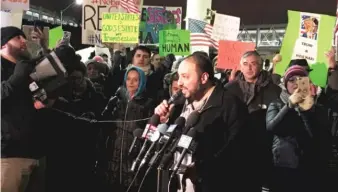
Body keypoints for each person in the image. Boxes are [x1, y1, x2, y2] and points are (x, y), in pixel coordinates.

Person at [154, 53, 252, 192]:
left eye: (186, 77)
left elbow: (236, 153)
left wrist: (201, 170)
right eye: (179, 76)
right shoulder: (180, 102)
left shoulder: (230, 105)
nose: (180, 82)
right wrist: (166, 120)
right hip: (180, 184)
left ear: (204, 77)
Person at [266, 65, 331, 192]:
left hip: (310, 166)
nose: (296, 83)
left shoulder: (318, 108)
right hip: (284, 165)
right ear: (285, 84)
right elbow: (272, 128)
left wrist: (307, 112)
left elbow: (317, 135)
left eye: (301, 79)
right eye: (291, 80)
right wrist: (289, 106)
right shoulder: (276, 104)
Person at [1, 26, 44, 192]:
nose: (24, 41)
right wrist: (15, 79)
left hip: (35, 151)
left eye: (24, 37)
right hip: (9, 154)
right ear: (3, 44)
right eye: (17, 37)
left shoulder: (27, 68)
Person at [103, 66, 155, 192]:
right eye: (128, 79)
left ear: (142, 82)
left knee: (132, 184)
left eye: (135, 80)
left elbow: (151, 130)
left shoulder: (148, 103)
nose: (131, 82)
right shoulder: (118, 100)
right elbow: (105, 122)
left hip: (134, 151)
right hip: (115, 149)